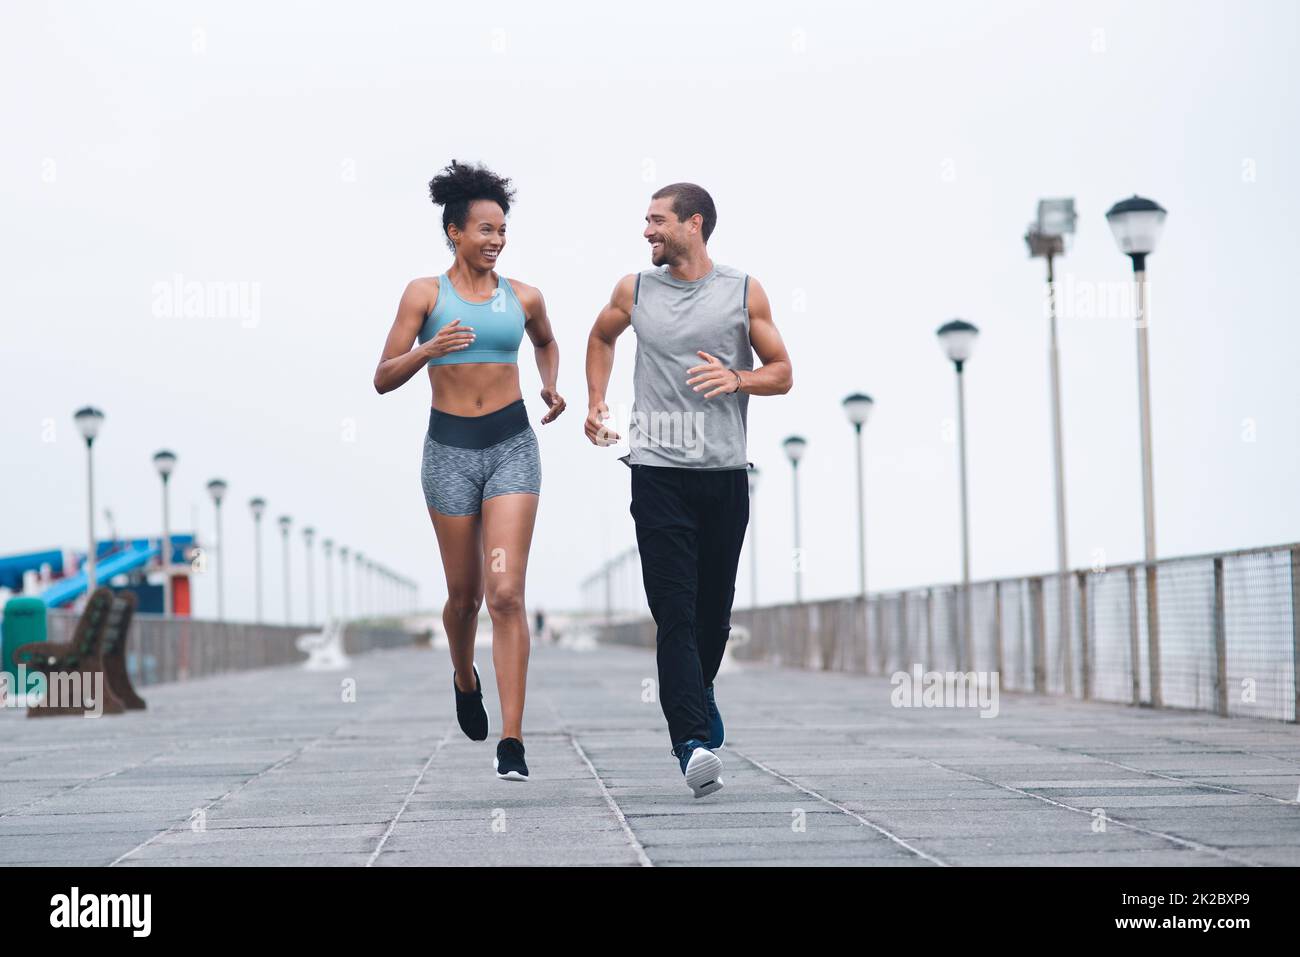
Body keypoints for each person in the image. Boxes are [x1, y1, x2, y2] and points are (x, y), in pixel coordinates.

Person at [583, 183, 792, 797]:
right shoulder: (635, 289)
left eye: (657, 221)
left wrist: (737, 377)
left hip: (724, 474)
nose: (647, 231)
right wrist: (597, 401)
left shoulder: (742, 290)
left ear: (693, 224)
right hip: (657, 473)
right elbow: (601, 337)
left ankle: (698, 692)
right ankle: (692, 743)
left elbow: (783, 374)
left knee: (713, 616)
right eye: (645, 221)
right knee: (673, 611)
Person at [374, 160, 565, 782]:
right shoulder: (424, 294)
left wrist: (551, 387)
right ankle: (464, 676)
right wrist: (428, 348)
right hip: (449, 453)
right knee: (466, 597)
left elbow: (545, 340)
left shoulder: (524, 296)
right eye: (485, 229)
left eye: (502, 229)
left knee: (507, 594)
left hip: (511, 444)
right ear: (455, 232)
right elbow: (382, 378)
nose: (496, 239)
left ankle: (512, 739)